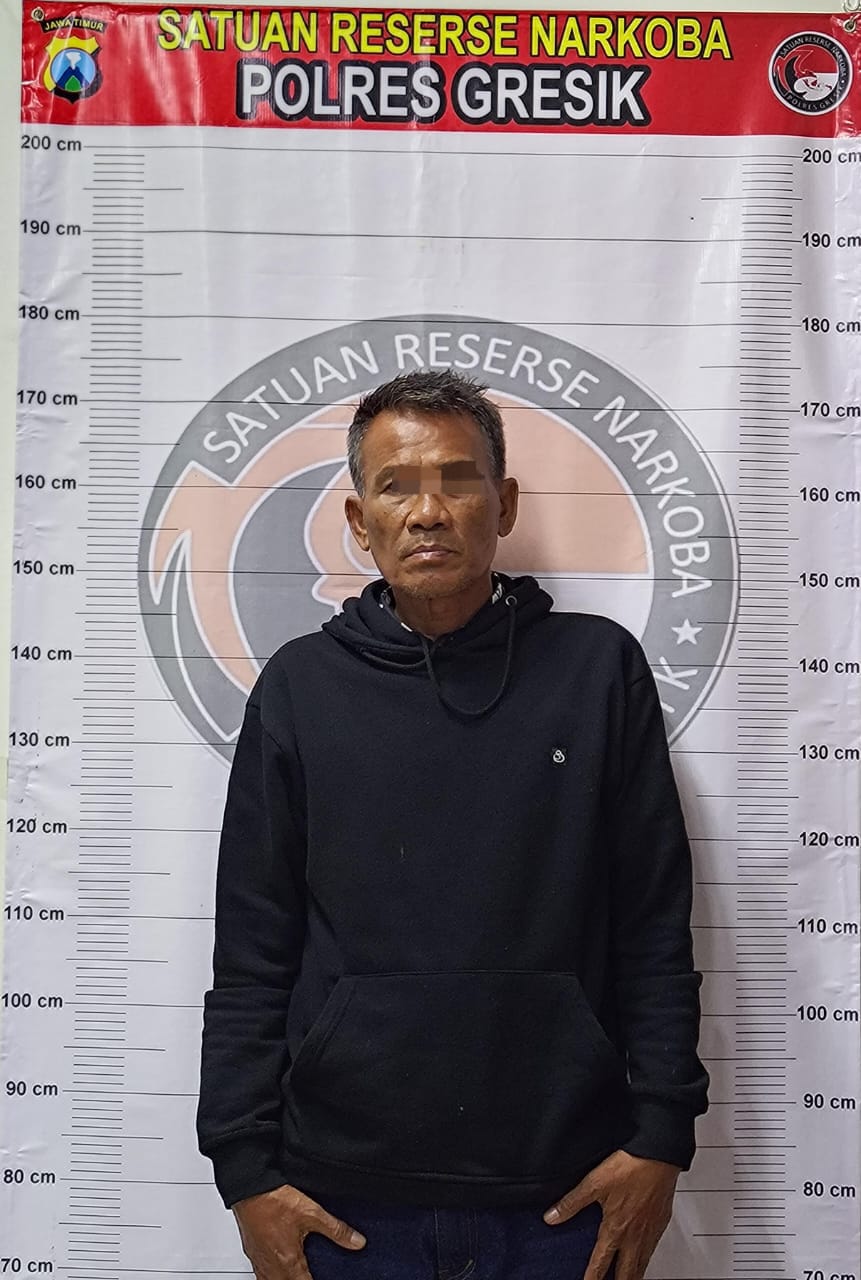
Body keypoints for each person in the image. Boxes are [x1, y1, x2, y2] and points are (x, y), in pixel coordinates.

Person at [196, 369, 709, 1280]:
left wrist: (661, 1139)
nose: (428, 512)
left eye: (457, 481)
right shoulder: (300, 689)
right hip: (339, 1204)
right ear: (359, 521)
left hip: (564, 1196)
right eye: (396, 486)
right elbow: (252, 948)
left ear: (502, 504)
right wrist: (244, 1172)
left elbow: (652, 923)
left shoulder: (596, 672)